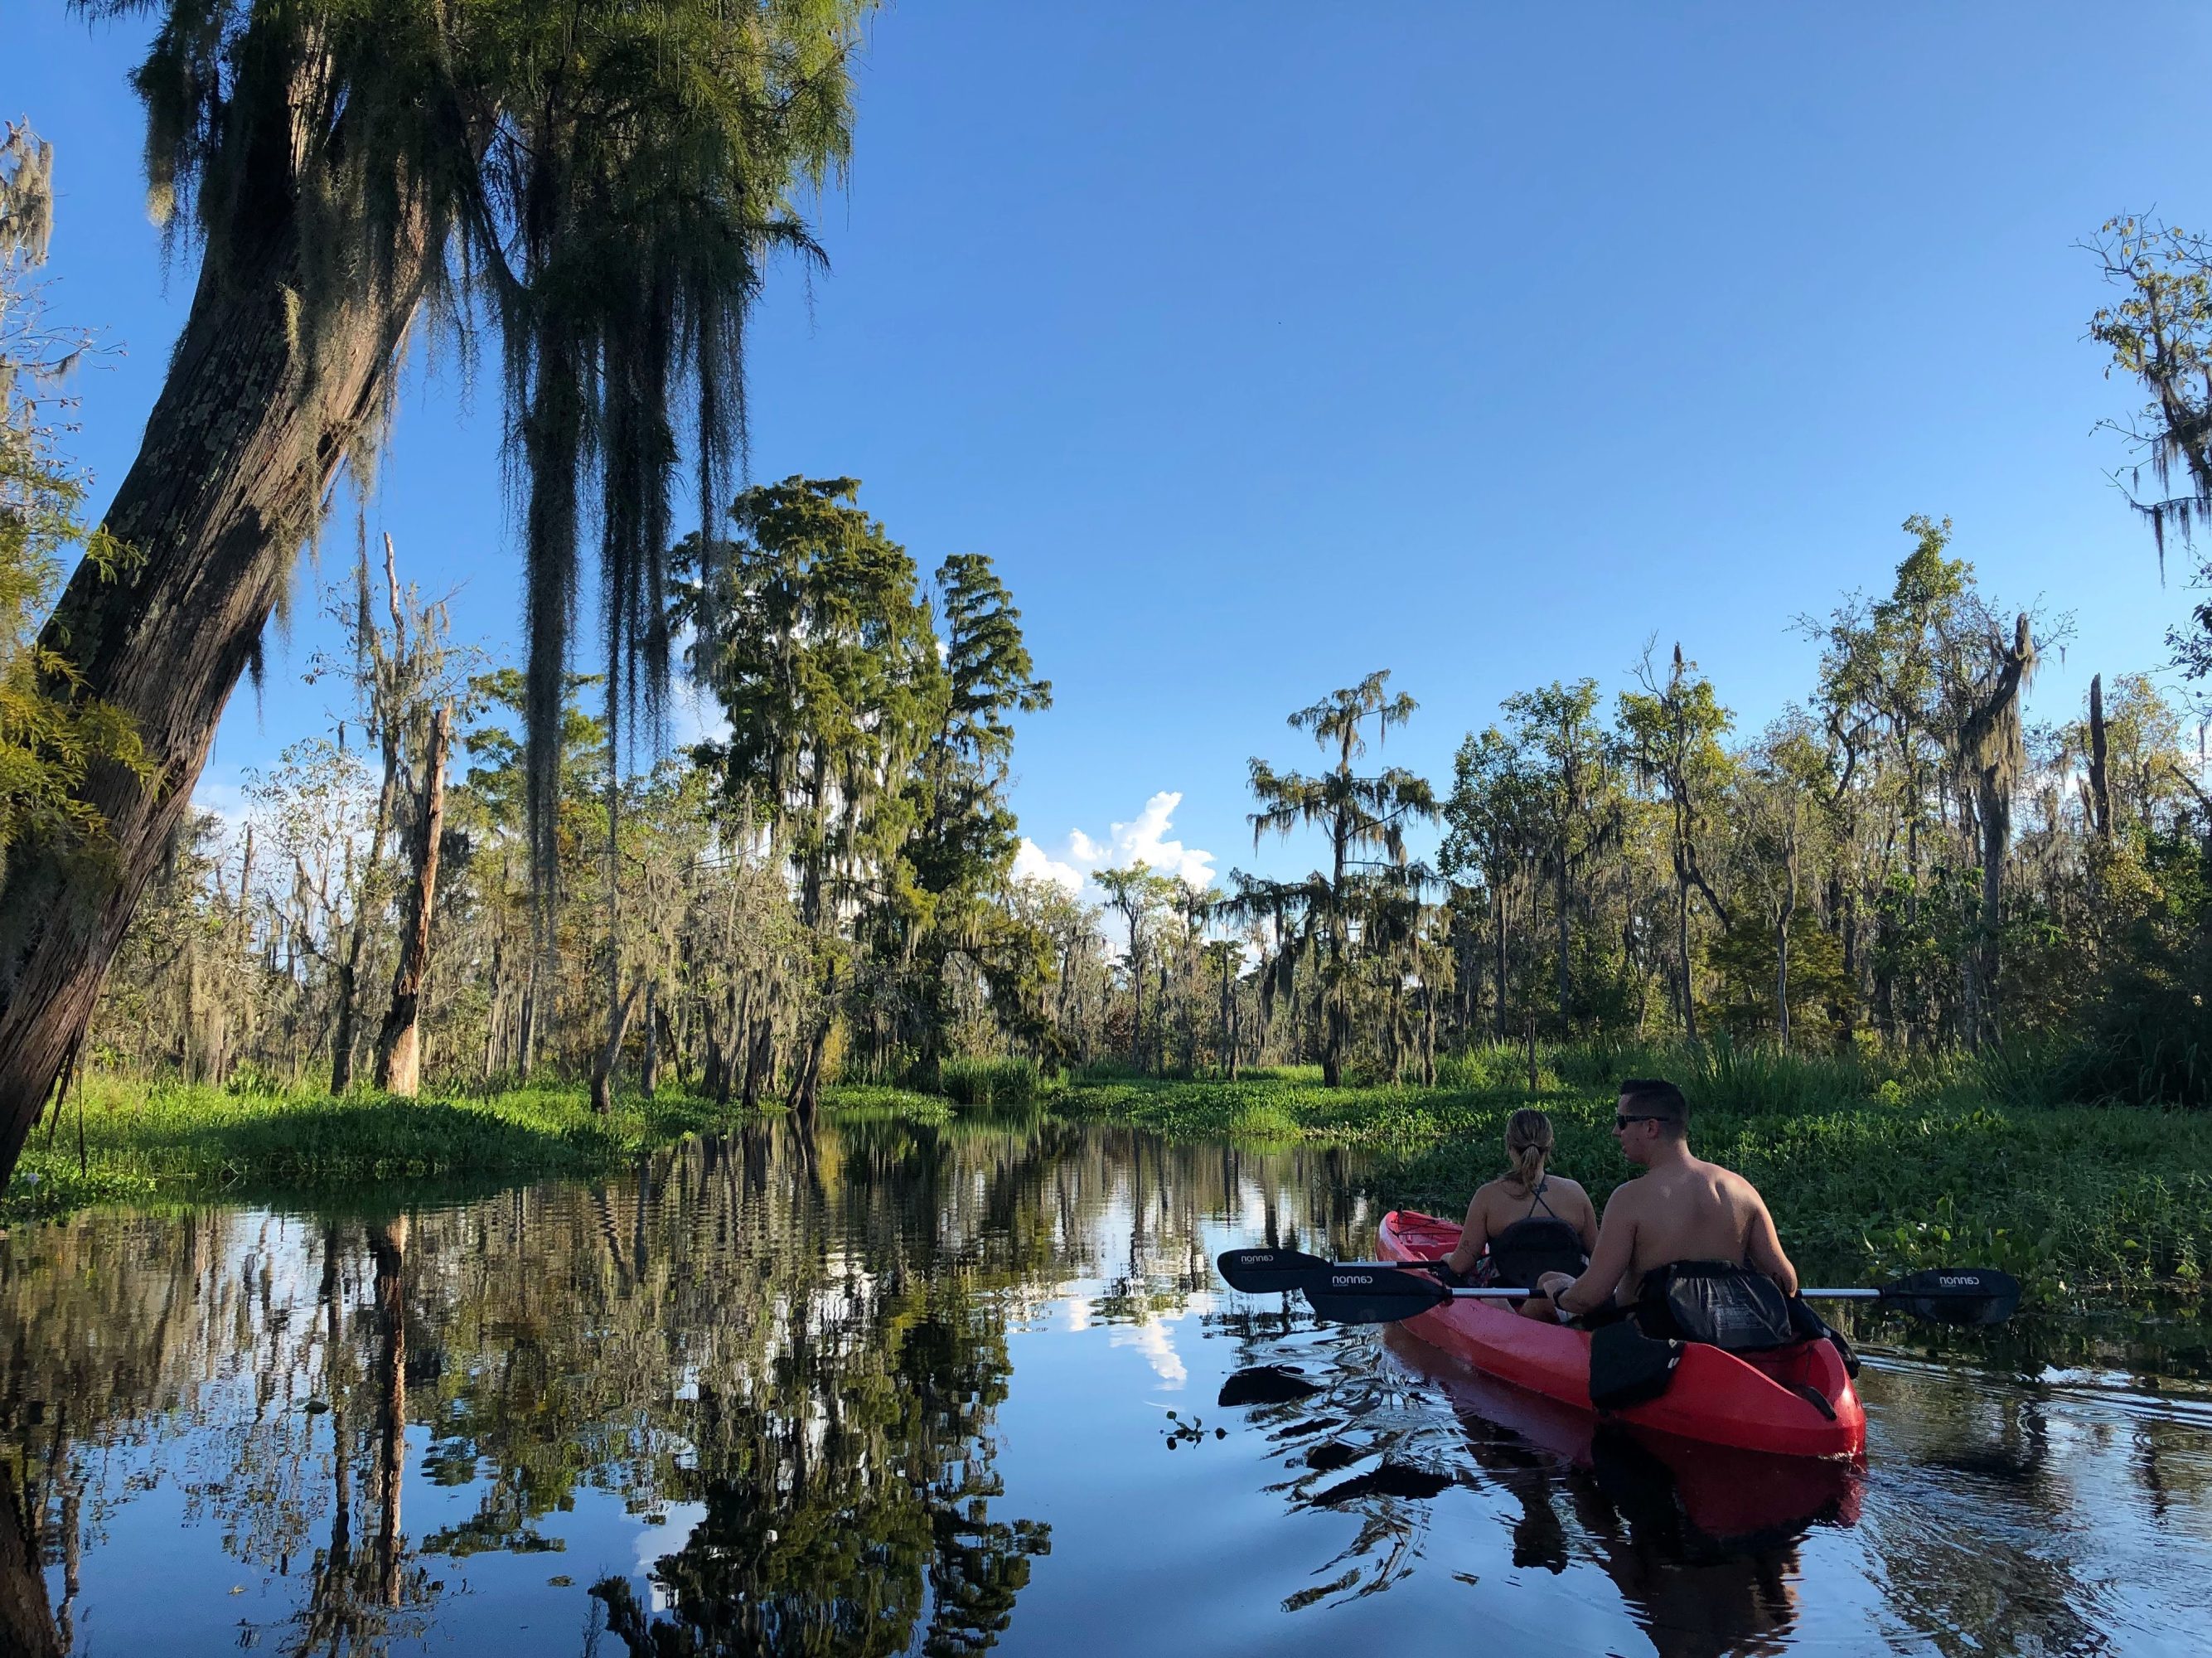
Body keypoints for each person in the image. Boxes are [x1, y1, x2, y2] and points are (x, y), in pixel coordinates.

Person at [1536, 1079, 1799, 1344]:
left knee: (1551, 1280)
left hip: (1653, 1346)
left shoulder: (1630, 1198)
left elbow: (1589, 1296)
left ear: (1651, 1127)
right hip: (1727, 1339)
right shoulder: (1742, 1190)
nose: (1616, 1131)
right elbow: (1786, 1283)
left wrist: (1559, 1292)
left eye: (1622, 1121)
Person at [1440, 1108, 1599, 1321]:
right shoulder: (1575, 1193)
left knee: (1455, 1275)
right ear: (1550, 1145)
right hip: (1561, 1294)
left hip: (1507, 1291)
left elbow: (1461, 1264)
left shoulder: (1488, 1196)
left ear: (1509, 1145)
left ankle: (1514, 1317)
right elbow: (1598, 1258)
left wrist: (1446, 1258)